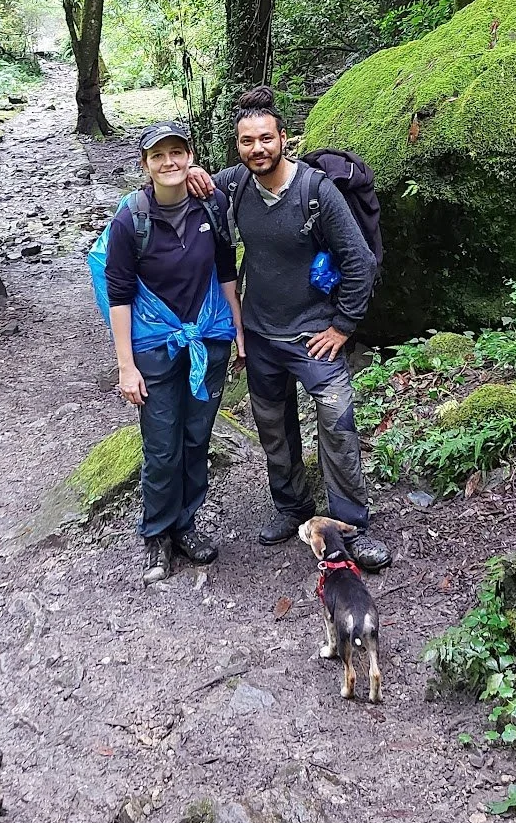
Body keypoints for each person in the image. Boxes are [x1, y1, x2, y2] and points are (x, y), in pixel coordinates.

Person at [187, 87, 390, 570]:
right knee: (273, 429)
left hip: (314, 338)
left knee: (337, 426)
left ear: (284, 139)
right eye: (246, 141)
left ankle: (351, 527)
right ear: (237, 147)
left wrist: (342, 326)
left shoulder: (316, 191)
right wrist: (191, 170)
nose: (257, 149)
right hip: (261, 337)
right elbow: (192, 187)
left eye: (265, 139)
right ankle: (292, 509)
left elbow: (359, 261)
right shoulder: (234, 184)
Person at [105, 119, 244, 585]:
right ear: (145, 165)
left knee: (195, 438)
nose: (169, 163)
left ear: (190, 156)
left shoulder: (212, 202)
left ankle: (185, 523)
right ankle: (157, 533)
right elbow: (119, 291)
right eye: (158, 156)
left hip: (208, 336)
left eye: (177, 153)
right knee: (162, 446)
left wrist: (238, 330)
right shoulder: (131, 219)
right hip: (154, 346)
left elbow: (227, 269)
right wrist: (125, 365)